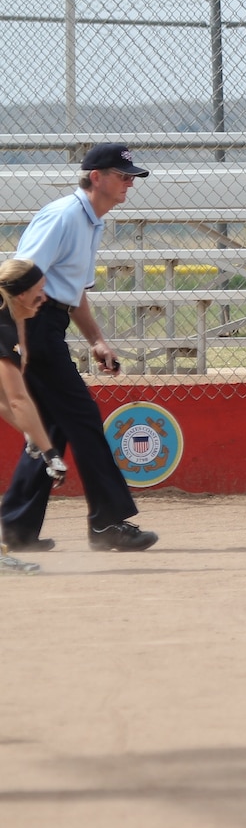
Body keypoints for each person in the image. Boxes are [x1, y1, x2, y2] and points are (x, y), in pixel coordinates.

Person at [1, 143, 157, 554]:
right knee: (83, 418)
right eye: (123, 176)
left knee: (52, 425)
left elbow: (73, 293)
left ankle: (16, 526)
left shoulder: (92, 222)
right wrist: (20, 338)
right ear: (95, 177)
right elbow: (17, 279)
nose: (129, 184)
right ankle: (106, 526)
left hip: (48, 322)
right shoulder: (64, 216)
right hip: (31, 322)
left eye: (131, 178)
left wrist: (97, 340)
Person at [0, 259, 69, 574]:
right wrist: (50, 452)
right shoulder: (2, 325)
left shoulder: (7, 314)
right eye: (39, 292)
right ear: (19, 294)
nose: (44, 298)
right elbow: (16, 398)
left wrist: (31, 435)